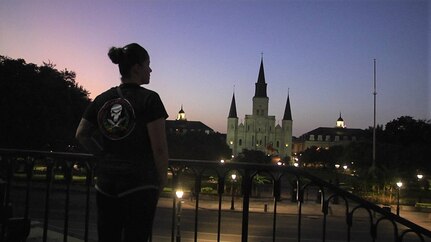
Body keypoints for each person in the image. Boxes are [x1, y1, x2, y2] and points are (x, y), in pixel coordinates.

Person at [75, 43, 169, 242]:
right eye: (147, 65)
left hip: (106, 182)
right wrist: (161, 181)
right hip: (139, 184)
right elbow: (159, 148)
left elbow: (82, 134)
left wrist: (103, 156)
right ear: (136, 68)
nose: (150, 70)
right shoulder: (150, 100)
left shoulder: (103, 99)